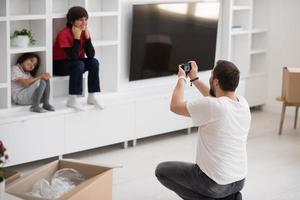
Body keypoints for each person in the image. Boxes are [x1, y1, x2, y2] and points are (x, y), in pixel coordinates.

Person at [155, 60, 251, 200]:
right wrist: (194, 78)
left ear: (216, 82)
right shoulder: (242, 103)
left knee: (162, 171)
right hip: (239, 180)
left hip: (215, 183)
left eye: (212, 74)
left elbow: (175, 105)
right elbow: (216, 98)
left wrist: (182, 77)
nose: (210, 77)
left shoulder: (213, 106)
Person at [53, 6, 104, 110]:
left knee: (94, 62)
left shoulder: (83, 32)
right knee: (78, 63)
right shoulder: (64, 34)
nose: (84, 22)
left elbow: (91, 55)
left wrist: (88, 38)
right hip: (59, 65)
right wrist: (76, 38)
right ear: (72, 21)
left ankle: (92, 96)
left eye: (85, 19)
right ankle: (72, 99)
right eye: (81, 20)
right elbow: (73, 57)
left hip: (74, 63)